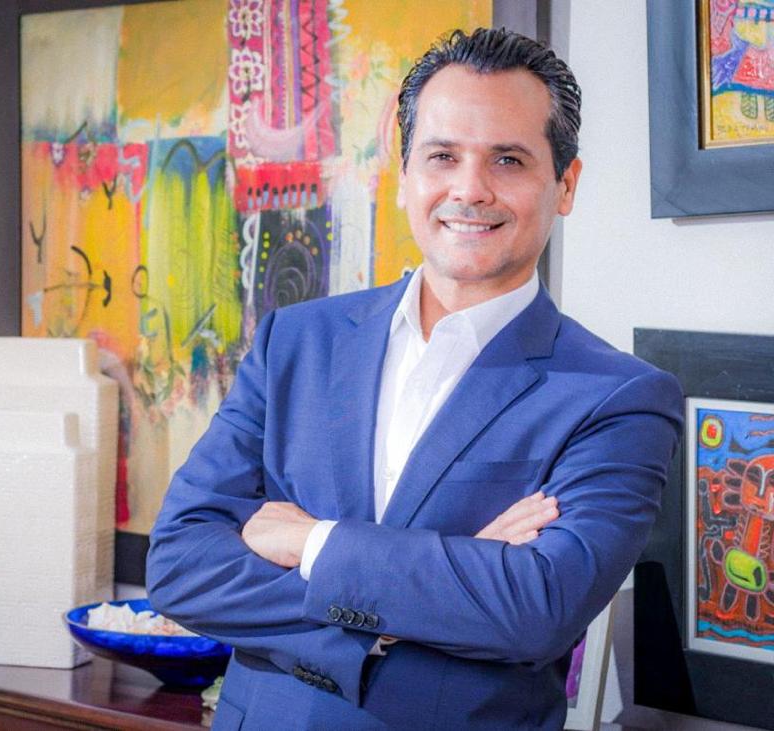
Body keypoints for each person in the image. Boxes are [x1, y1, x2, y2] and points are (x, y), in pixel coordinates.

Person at [146, 27, 682, 730]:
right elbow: (181, 562)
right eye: (442, 156)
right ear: (404, 174)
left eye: (509, 159)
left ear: (566, 184)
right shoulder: (294, 342)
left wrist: (312, 543)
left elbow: (536, 608)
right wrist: (440, 591)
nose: (470, 189)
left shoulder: (618, 397)